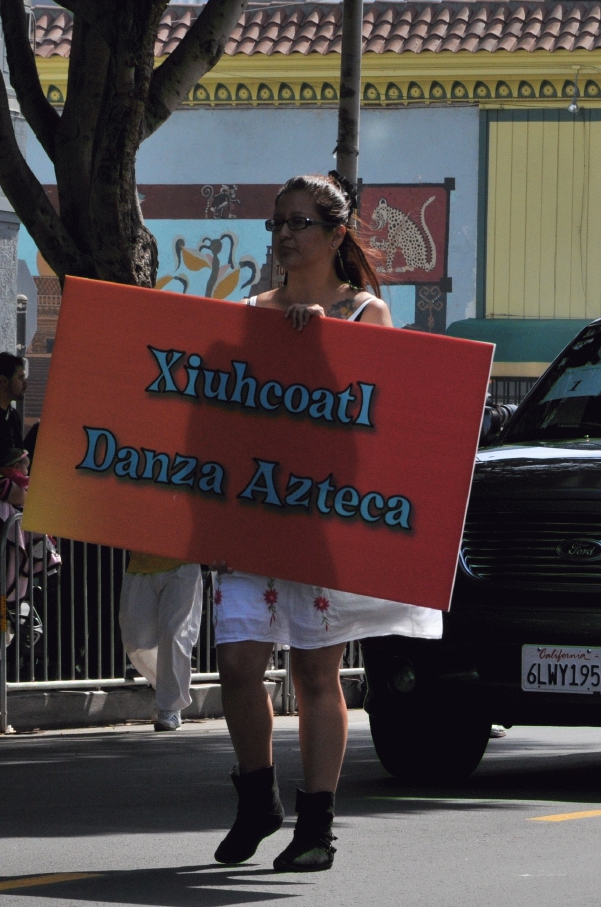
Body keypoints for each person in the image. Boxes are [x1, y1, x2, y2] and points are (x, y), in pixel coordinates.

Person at [211, 173, 442, 874]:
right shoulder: (250, 308)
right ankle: (257, 797)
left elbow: (384, 423)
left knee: (316, 671)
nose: (284, 235)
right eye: (276, 222)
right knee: (238, 662)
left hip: (325, 519)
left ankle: (317, 824)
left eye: (299, 223)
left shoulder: (366, 312)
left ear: (336, 234)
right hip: (256, 512)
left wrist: (320, 350)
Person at [119, 554, 204, 732]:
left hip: (183, 562)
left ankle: (170, 707)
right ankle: (168, 685)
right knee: (135, 642)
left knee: (174, 635)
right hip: (140, 566)